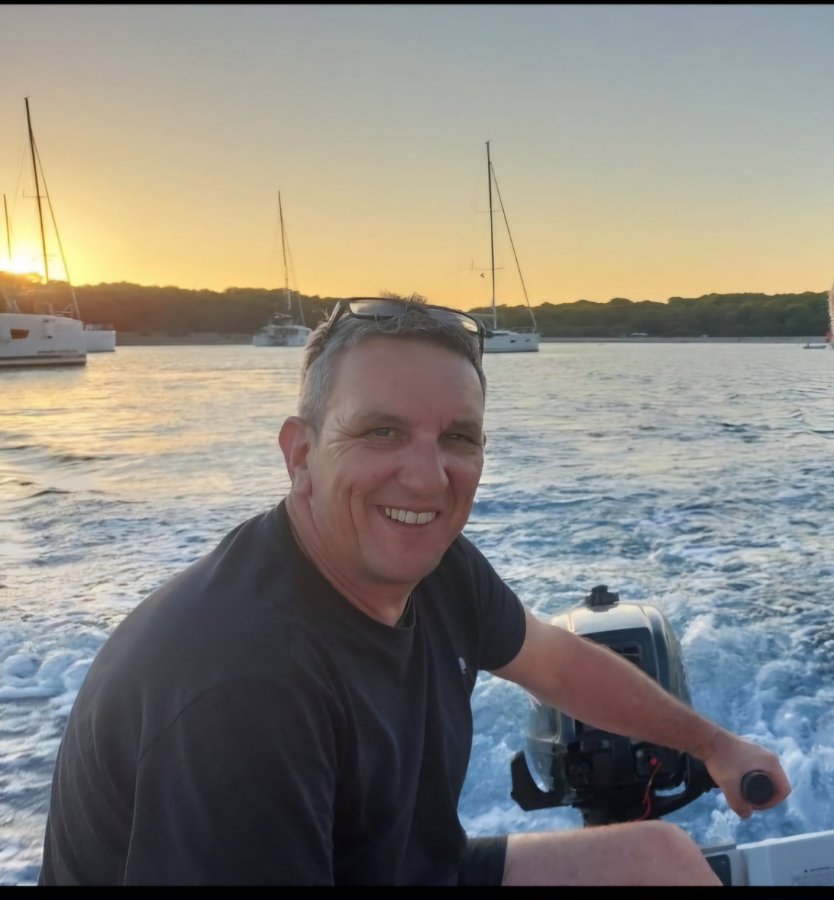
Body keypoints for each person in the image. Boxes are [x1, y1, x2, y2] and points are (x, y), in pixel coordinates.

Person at [38, 296, 791, 886]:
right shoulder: (244, 686)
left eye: (457, 438)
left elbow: (557, 664)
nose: (428, 479)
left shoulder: (439, 569)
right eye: (381, 432)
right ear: (300, 454)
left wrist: (713, 745)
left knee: (658, 862)